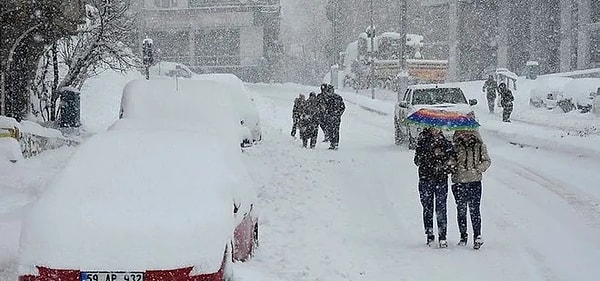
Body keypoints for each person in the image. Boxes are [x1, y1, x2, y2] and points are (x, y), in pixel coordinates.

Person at [449, 130, 491, 249]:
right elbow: (450, 162)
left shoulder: (479, 146)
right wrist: (452, 165)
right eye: (463, 132)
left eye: (468, 132)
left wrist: (479, 168)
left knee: (475, 210)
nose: (466, 135)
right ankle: (463, 236)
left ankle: (477, 235)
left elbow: (487, 161)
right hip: (459, 182)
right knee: (461, 210)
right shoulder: (455, 146)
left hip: (474, 182)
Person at [413, 127, 454, 247]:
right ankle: (429, 233)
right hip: (426, 179)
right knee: (427, 206)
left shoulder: (446, 143)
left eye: (438, 128)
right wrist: (429, 154)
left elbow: (451, 161)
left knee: (441, 207)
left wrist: (443, 159)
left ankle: (442, 235)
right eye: (433, 128)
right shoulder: (423, 141)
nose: (436, 130)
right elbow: (417, 160)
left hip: (440, 179)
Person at [323, 84, 345, 150]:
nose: (330, 92)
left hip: (336, 117)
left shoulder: (338, 98)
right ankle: (332, 143)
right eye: (328, 91)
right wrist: (327, 114)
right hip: (329, 117)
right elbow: (325, 108)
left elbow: (343, 107)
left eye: (331, 90)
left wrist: (338, 114)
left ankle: (335, 143)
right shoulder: (327, 98)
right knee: (330, 130)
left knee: (336, 130)